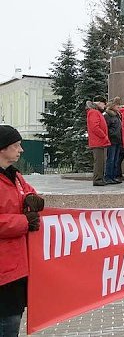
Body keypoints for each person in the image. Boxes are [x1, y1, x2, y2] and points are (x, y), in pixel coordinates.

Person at [0, 125, 45, 336]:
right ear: (2, 148)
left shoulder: (15, 176)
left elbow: (31, 194)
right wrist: (24, 222)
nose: (21, 150)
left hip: (16, 266)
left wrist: (32, 200)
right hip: (3, 269)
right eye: (16, 145)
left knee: (13, 319)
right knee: (7, 322)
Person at [86, 95, 111, 186]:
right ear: (99, 103)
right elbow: (95, 127)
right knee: (99, 162)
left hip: (99, 141)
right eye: (104, 104)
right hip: (98, 141)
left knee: (100, 161)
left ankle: (100, 178)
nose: (105, 106)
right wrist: (104, 136)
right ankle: (97, 179)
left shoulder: (95, 112)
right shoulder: (94, 112)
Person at [103, 97, 123, 185]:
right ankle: (108, 176)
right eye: (117, 105)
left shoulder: (117, 115)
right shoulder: (107, 115)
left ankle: (113, 176)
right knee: (110, 159)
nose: (119, 107)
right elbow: (106, 128)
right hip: (112, 139)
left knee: (115, 159)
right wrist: (112, 134)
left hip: (118, 139)